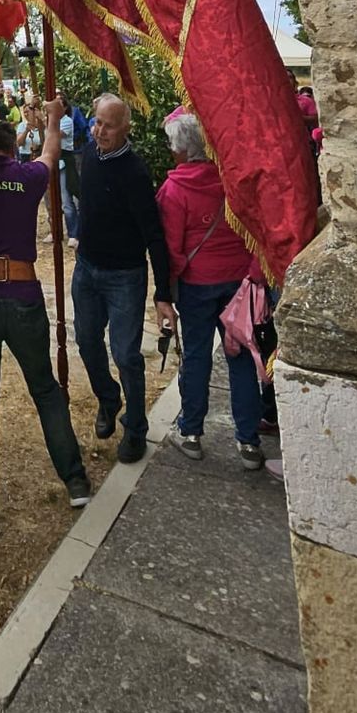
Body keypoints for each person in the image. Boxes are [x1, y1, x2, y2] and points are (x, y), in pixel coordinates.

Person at [0, 103, 91, 548]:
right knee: (45, 389)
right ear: (12, 149)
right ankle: (76, 480)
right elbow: (50, 154)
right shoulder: (27, 178)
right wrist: (51, 119)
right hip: (24, 297)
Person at [157, 112, 266, 470]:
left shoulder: (174, 191)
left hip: (197, 284)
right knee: (241, 359)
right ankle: (248, 442)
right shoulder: (231, 181)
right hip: (237, 284)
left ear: (181, 150)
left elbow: (171, 248)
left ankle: (191, 433)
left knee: (198, 356)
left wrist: (167, 291)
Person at [72, 94, 174, 464]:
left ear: (125, 128)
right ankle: (107, 397)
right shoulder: (90, 156)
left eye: (108, 125)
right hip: (86, 269)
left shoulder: (135, 173)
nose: (99, 131)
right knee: (85, 340)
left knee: (127, 354)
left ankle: (135, 428)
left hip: (124, 276)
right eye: (97, 122)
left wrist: (163, 293)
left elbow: (154, 234)